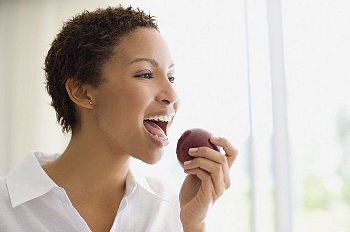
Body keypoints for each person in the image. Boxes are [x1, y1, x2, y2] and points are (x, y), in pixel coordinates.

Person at [0, 6, 238, 232]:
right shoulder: (5, 209)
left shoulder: (173, 209)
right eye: (146, 74)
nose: (172, 95)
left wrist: (193, 225)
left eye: (171, 77)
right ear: (82, 92)